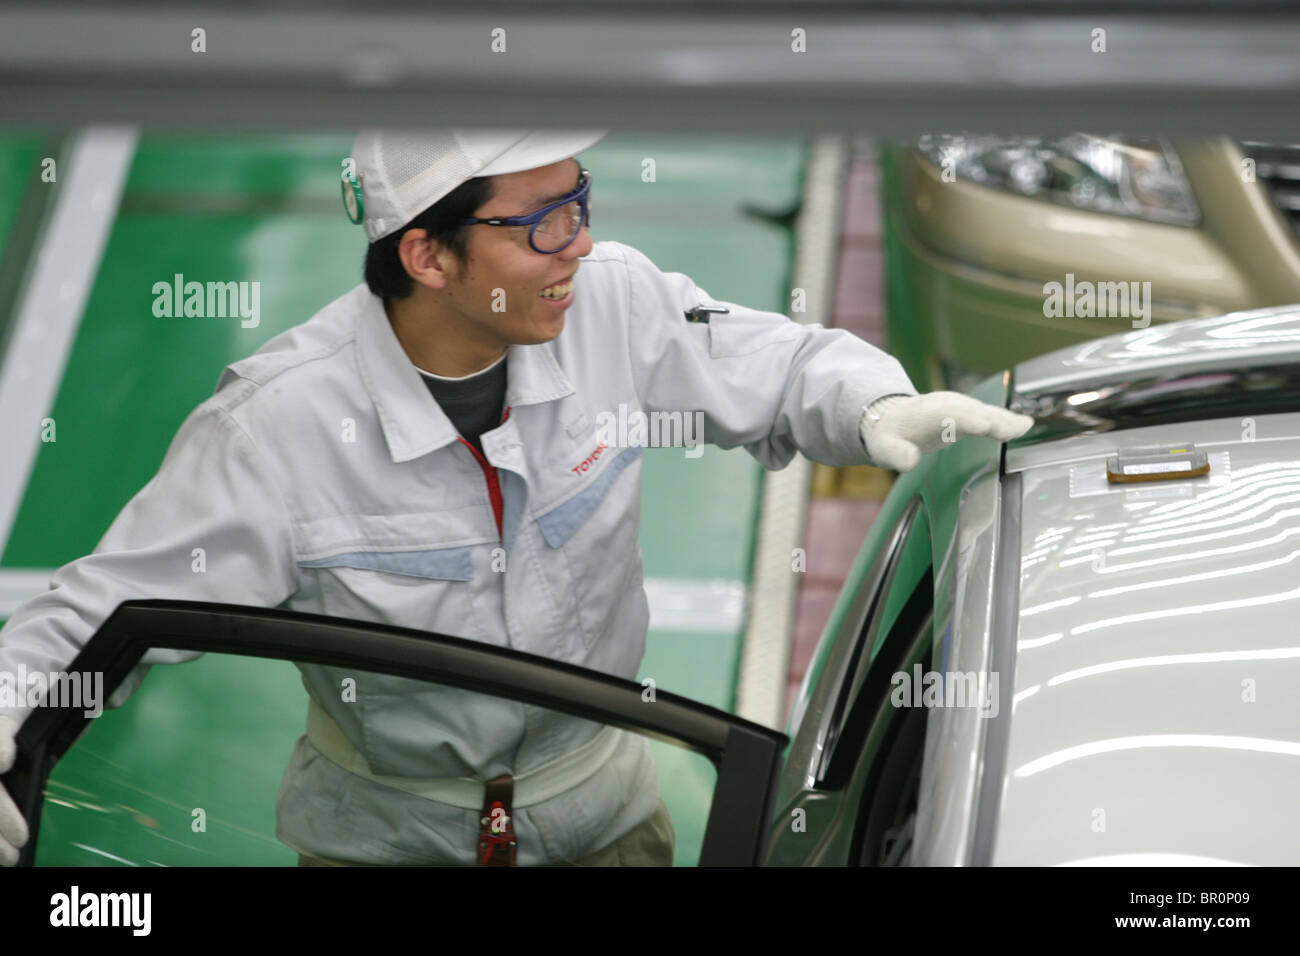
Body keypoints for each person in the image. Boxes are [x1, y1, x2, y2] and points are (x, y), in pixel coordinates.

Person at [0, 129, 1032, 867]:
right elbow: (95, 619)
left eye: (580, 201)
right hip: (381, 838)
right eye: (543, 223)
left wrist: (876, 404)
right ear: (428, 253)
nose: (577, 242)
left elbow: (783, 364)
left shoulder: (609, 304)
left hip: (605, 819)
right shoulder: (277, 430)